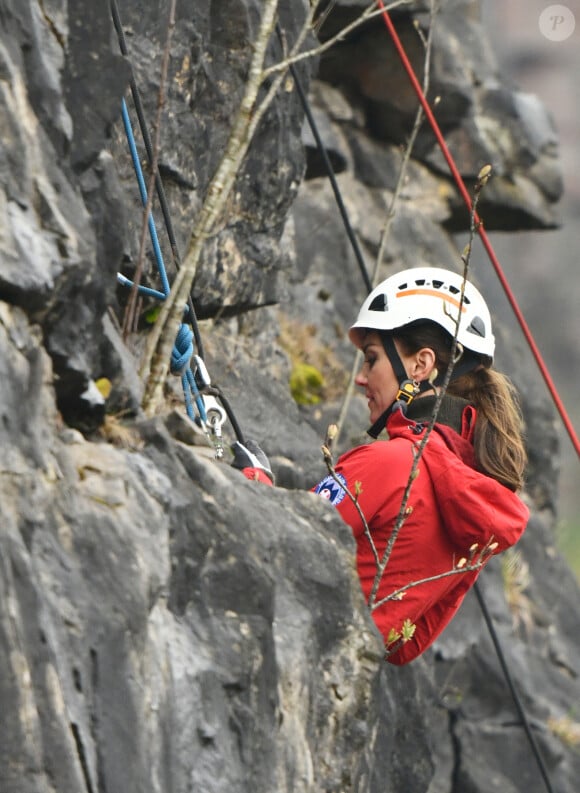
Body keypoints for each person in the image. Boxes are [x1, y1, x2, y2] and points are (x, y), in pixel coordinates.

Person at [232, 266, 530, 665]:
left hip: (275, 650)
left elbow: (279, 541)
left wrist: (252, 481)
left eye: (372, 359)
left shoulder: (392, 464)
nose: (361, 378)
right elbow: (406, 644)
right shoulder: (475, 508)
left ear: (420, 366)